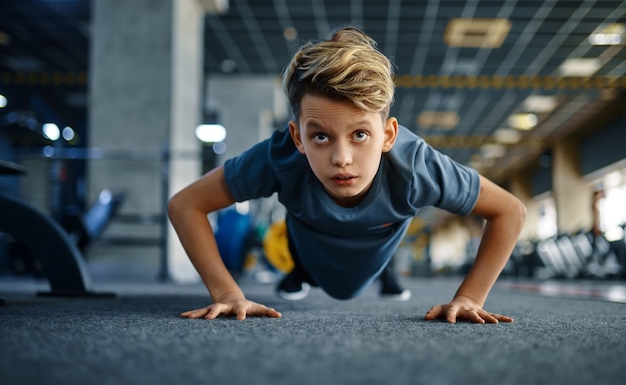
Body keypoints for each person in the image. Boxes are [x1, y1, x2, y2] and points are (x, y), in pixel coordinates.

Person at [168, 27, 526, 323]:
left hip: (376, 250)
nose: (341, 158)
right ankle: (298, 272)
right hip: (308, 249)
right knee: (301, 238)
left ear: (388, 135)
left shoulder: (417, 166)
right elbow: (185, 205)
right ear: (298, 138)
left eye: (360, 135)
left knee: (375, 252)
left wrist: (469, 298)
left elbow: (509, 210)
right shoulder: (279, 156)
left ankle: (387, 272)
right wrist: (228, 293)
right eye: (320, 136)